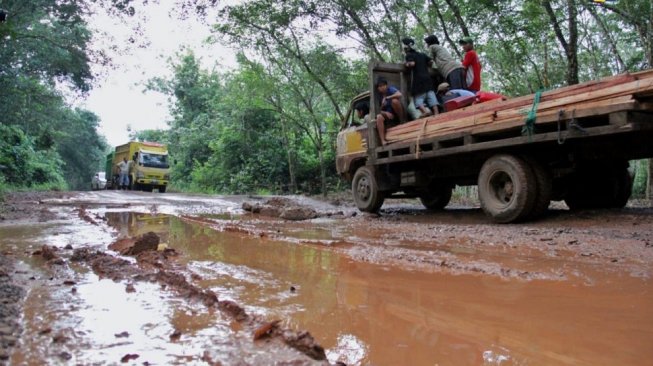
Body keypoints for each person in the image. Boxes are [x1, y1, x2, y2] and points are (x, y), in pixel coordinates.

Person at [402, 37, 439, 118]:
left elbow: (412, 64)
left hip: (418, 81)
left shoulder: (409, 55)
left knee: (418, 100)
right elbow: (431, 61)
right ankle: (436, 113)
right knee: (431, 97)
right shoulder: (422, 54)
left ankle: (425, 112)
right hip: (428, 80)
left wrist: (406, 64)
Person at [375, 77, 404, 145]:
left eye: (383, 85)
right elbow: (377, 111)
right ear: (378, 88)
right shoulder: (378, 97)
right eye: (380, 86)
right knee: (379, 117)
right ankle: (383, 140)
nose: (382, 87)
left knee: (394, 101)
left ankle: (402, 121)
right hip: (388, 116)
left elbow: (400, 94)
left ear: (386, 85)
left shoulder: (390, 89)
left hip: (396, 113)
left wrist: (388, 97)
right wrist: (384, 110)